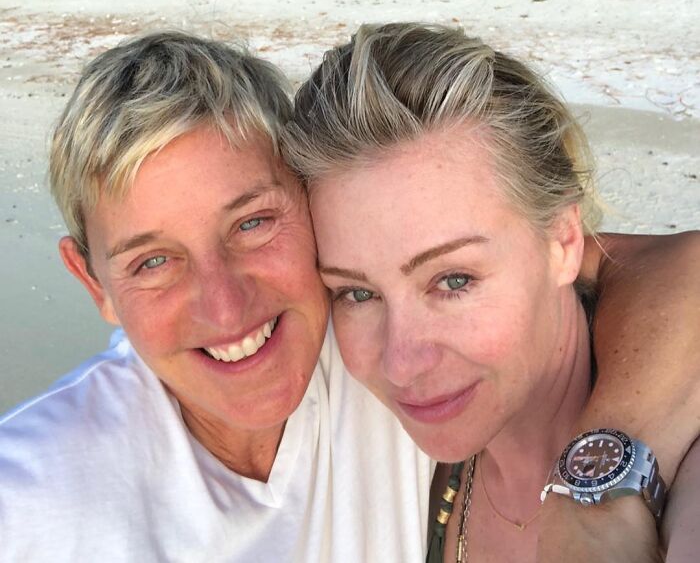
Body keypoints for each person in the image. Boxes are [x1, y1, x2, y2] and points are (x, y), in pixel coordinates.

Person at [0, 31, 697, 562]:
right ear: (93, 282)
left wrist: (597, 494)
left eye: (252, 223)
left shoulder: (361, 361)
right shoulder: (28, 496)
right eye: (153, 261)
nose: (225, 307)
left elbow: (674, 266)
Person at [282, 22, 700, 562]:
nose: (402, 364)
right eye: (357, 294)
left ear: (564, 242)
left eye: (454, 280)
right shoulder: (409, 468)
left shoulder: (681, 471)